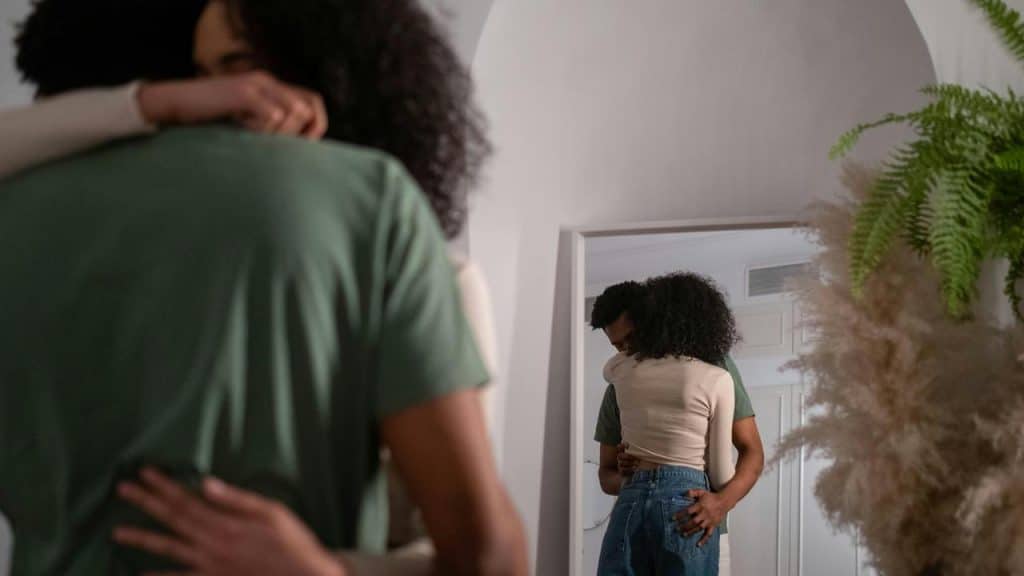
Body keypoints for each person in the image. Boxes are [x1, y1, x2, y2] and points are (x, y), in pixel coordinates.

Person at [0, 1, 527, 575]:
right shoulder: (371, 211)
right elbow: (487, 556)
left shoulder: (411, 254)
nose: (230, 94)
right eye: (202, 75)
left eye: (243, 65)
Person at [590, 276, 764, 575]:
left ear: (653, 324)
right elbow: (607, 476)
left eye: (631, 339)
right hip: (651, 506)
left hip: (703, 520)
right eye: (617, 346)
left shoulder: (716, 366)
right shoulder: (619, 383)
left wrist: (722, 502)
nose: (626, 352)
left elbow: (752, 452)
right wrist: (632, 474)